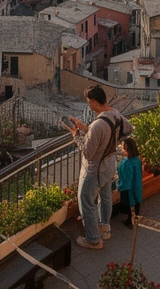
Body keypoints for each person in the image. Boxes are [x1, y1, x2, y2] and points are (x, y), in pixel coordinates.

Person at [68, 85, 133, 249]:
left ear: (95, 101)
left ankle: (94, 240)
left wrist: (77, 136)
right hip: (110, 163)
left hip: (95, 169)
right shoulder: (115, 114)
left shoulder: (98, 125)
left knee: (86, 201)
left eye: (89, 102)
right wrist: (86, 129)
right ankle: (105, 228)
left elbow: (88, 153)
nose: (89, 105)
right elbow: (128, 130)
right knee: (105, 196)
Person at [112, 138, 143, 228]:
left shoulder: (126, 163)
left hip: (128, 189)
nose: (121, 149)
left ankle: (130, 222)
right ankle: (134, 218)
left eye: (122, 147)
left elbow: (125, 178)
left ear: (127, 150)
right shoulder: (137, 160)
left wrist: (119, 187)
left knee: (129, 206)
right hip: (136, 185)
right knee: (136, 204)